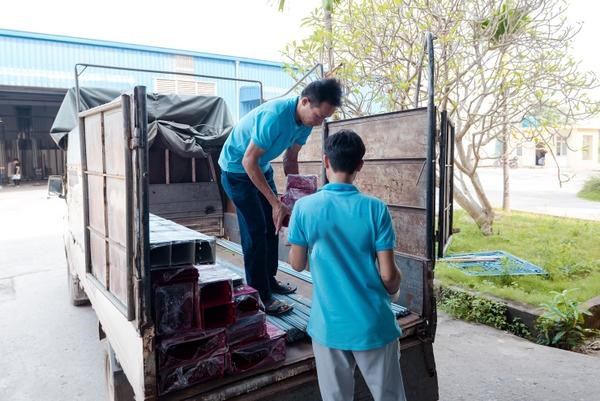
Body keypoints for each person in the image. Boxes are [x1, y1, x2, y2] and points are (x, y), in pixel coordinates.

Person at [287, 129, 406, 401]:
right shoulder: (376, 209)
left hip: (328, 326)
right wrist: (395, 286)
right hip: (373, 324)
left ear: (326, 161)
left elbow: (296, 263)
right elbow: (388, 275)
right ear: (360, 166)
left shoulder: (304, 208)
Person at [219, 79, 342, 315]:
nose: (319, 123)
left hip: (260, 169)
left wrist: (296, 197)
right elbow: (248, 161)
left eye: (324, 119)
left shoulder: (305, 122)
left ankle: (270, 281)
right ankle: (260, 295)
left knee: (272, 226)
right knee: (255, 230)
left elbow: (290, 159)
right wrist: (276, 203)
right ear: (305, 102)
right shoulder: (275, 116)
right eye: (318, 116)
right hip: (236, 171)